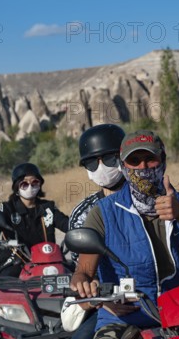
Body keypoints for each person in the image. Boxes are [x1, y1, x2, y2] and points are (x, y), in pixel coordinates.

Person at [71, 129, 179, 339]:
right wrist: (85, 285)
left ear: (163, 160)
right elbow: (83, 271)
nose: (143, 167)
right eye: (134, 161)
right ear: (123, 166)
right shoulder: (103, 212)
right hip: (124, 318)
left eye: (150, 158)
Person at [67, 124, 126, 339]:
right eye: (92, 162)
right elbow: (81, 272)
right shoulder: (83, 214)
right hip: (107, 304)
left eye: (109, 159)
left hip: (159, 296)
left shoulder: (150, 201)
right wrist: (100, 298)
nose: (101, 167)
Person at [0, 163, 69, 277]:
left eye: (35, 182)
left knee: (73, 275)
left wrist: (79, 230)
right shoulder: (8, 208)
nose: (30, 187)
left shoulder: (48, 208)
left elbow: (67, 224)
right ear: (17, 187)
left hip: (48, 260)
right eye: (24, 184)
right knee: (7, 283)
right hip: (15, 262)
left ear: (40, 184)